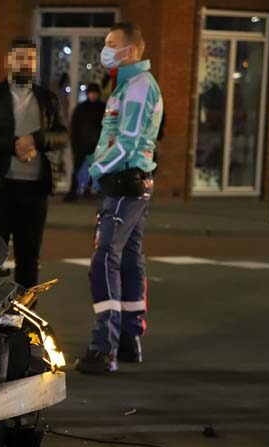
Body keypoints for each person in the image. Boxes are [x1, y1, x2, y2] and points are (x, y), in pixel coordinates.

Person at [74, 23, 163, 374]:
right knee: (128, 257)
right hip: (129, 182)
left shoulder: (138, 87)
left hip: (125, 184)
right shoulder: (127, 85)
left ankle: (103, 347)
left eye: (112, 44)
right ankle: (128, 340)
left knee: (104, 259)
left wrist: (95, 170)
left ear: (132, 50)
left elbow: (126, 142)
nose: (106, 49)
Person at [0, 38, 68, 289]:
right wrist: (13, 145)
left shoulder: (47, 99)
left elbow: (62, 135)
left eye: (30, 59)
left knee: (29, 257)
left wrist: (36, 139)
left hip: (35, 190)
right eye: (20, 58)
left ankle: (24, 319)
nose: (25, 64)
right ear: (8, 62)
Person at [64, 83, 105, 202]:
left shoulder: (102, 108)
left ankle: (88, 190)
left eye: (95, 93)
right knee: (77, 168)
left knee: (95, 169)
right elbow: (74, 127)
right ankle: (73, 191)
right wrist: (74, 143)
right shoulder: (81, 108)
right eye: (91, 93)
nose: (93, 95)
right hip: (82, 144)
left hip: (96, 144)